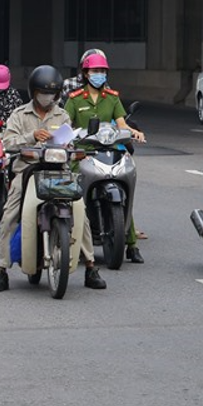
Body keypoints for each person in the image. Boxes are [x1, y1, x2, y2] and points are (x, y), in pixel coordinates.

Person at [0, 65, 106, 292]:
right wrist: (31, 136)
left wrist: (74, 147)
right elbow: (7, 143)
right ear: (33, 92)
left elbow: (70, 141)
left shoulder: (61, 114)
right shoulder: (19, 114)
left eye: (51, 93)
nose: (47, 97)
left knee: (81, 212)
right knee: (10, 215)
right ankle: (1, 270)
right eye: (43, 92)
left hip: (59, 172)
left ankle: (90, 266)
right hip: (28, 172)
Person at [63, 50, 147, 263]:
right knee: (72, 193)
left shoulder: (112, 98)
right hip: (83, 153)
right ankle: (71, 238)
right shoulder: (74, 100)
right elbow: (65, 125)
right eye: (95, 71)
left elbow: (121, 123)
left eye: (102, 71)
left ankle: (131, 244)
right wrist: (59, 139)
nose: (99, 74)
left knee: (122, 187)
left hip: (110, 150)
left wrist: (133, 132)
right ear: (86, 73)